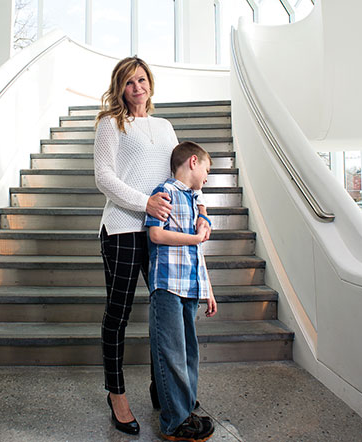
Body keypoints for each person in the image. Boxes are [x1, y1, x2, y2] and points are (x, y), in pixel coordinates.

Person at [94, 57, 211, 435]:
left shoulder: (164, 126)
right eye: (129, 82)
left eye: (141, 80)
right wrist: (144, 202)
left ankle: (166, 390)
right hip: (124, 229)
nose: (137, 87)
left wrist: (200, 207)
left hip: (160, 230)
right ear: (120, 88)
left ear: (150, 84)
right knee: (120, 312)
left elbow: (183, 175)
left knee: (168, 316)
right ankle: (117, 395)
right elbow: (104, 178)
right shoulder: (110, 124)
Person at [145, 141, 218, 441]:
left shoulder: (192, 199)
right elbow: (156, 234)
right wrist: (193, 239)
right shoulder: (165, 193)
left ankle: (185, 408)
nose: (207, 177)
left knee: (189, 353)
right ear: (192, 162)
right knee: (171, 353)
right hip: (167, 285)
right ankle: (174, 422)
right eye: (206, 169)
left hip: (189, 285)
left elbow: (198, 253)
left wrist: (208, 289)